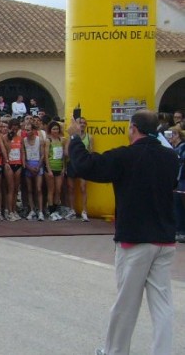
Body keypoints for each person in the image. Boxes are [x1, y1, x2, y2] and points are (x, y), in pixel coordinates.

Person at [67, 110, 178, 355]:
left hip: (135, 240)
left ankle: (115, 351)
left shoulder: (126, 156)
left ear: (133, 128)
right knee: (163, 305)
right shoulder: (171, 157)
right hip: (164, 240)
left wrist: (75, 139)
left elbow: (86, 165)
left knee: (126, 304)